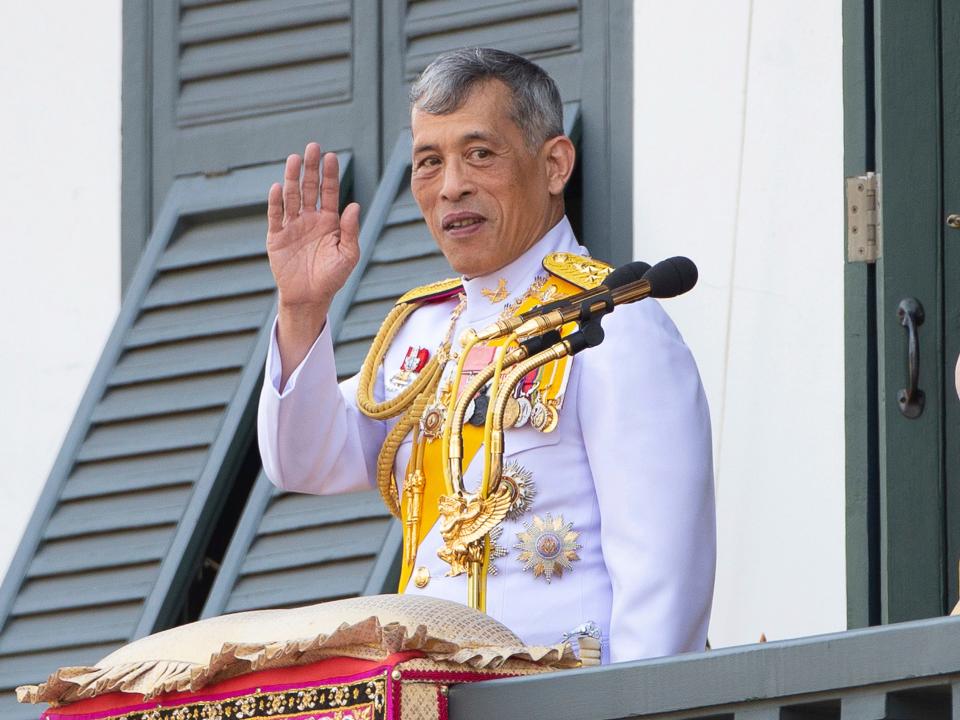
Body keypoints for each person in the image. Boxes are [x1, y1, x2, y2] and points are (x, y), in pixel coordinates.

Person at [257, 48, 715, 664]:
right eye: (429, 162)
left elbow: (664, 583)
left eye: (480, 154)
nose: (451, 187)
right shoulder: (423, 331)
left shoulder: (615, 322)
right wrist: (303, 308)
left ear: (554, 165)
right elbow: (303, 461)